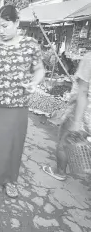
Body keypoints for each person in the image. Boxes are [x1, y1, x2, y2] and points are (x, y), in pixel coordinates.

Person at [0, 5, 45, 198]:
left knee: (12, 145)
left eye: (5, 26)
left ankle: (9, 180)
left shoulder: (30, 45)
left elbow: (39, 69)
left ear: (17, 22)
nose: (0, 31)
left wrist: (34, 82)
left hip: (17, 104)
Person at [42, 52, 91, 181]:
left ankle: (60, 172)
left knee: (64, 143)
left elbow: (83, 92)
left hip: (83, 113)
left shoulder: (89, 58)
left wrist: (76, 122)